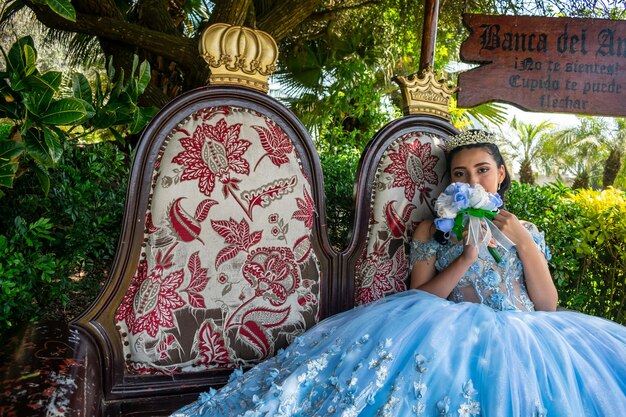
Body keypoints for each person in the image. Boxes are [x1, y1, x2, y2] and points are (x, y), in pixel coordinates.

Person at [171, 130, 626, 417]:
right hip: (447, 328)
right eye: (460, 173)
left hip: (529, 335)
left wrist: (522, 242)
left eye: (483, 171)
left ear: (502, 175)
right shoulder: (434, 227)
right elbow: (421, 295)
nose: (471, 182)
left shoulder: (526, 231)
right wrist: (466, 258)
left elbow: (546, 305)